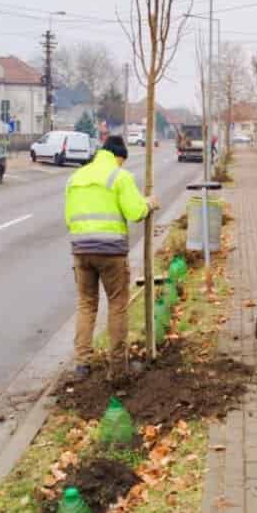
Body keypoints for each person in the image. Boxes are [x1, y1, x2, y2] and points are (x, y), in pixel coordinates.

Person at [63, 134, 153, 378]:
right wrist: (150, 203)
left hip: (81, 251)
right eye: (121, 161)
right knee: (117, 305)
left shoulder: (76, 177)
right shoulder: (119, 176)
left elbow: (68, 218)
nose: (121, 165)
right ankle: (117, 367)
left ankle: (82, 363)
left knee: (86, 305)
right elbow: (136, 212)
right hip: (111, 252)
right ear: (118, 156)